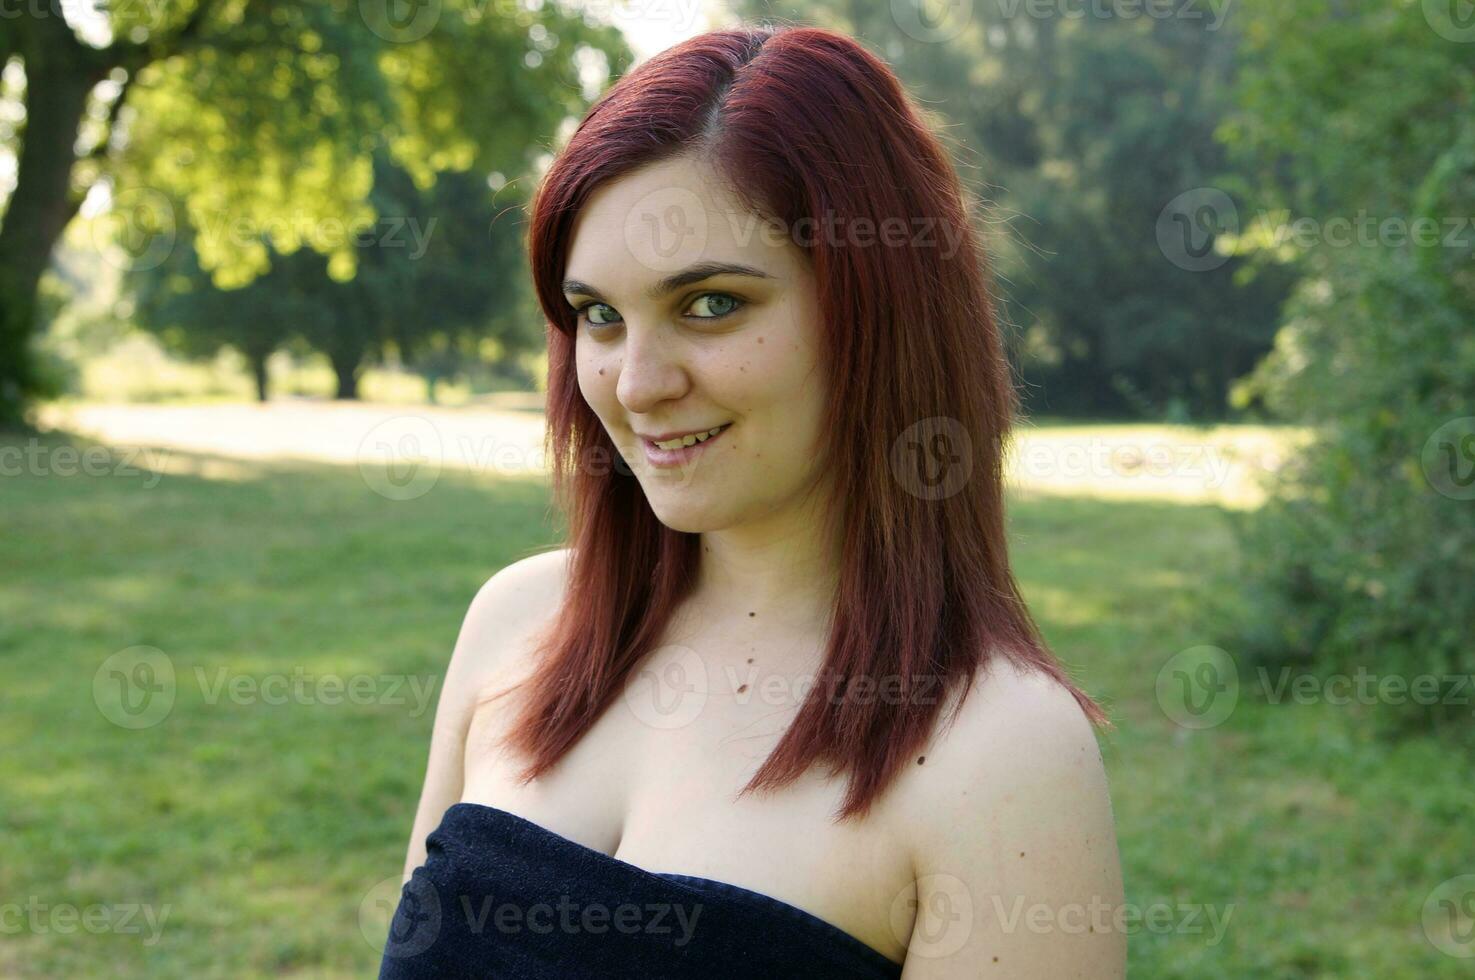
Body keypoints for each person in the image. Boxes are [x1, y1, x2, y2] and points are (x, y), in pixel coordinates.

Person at [382, 22, 1126, 979]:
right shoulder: (517, 626)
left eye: (710, 304)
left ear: (880, 309)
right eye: (599, 316)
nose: (636, 383)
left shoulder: (997, 752)